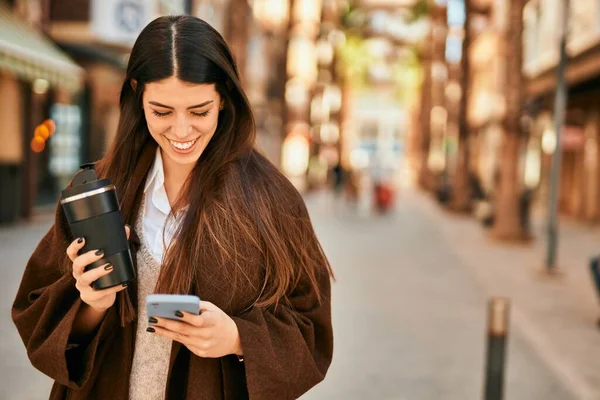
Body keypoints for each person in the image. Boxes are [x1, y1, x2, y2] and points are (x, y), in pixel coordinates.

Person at [12, 15, 334, 400]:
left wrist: (237, 338)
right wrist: (92, 304)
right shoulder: (99, 190)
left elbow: (310, 326)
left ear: (224, 98)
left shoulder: (271, 198)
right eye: (162, 111)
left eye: (199, 111)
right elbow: (36, 309)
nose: (181, 132)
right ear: (137, 93)